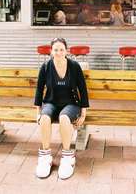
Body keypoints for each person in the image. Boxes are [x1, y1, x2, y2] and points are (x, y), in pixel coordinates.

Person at [34, 38, 89, 180]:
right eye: (56, 50)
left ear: (66, 51)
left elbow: (82, 90)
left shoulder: (74, 66)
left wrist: (83, 113)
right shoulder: (45, 67)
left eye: (61, 49)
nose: (58, 52)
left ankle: (67, 158)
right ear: (51, 51)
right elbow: (39, 91)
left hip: (71, 104)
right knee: (45, 119)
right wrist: (38, 113)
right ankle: (45, 157)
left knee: (64, 118)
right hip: (51, 102)